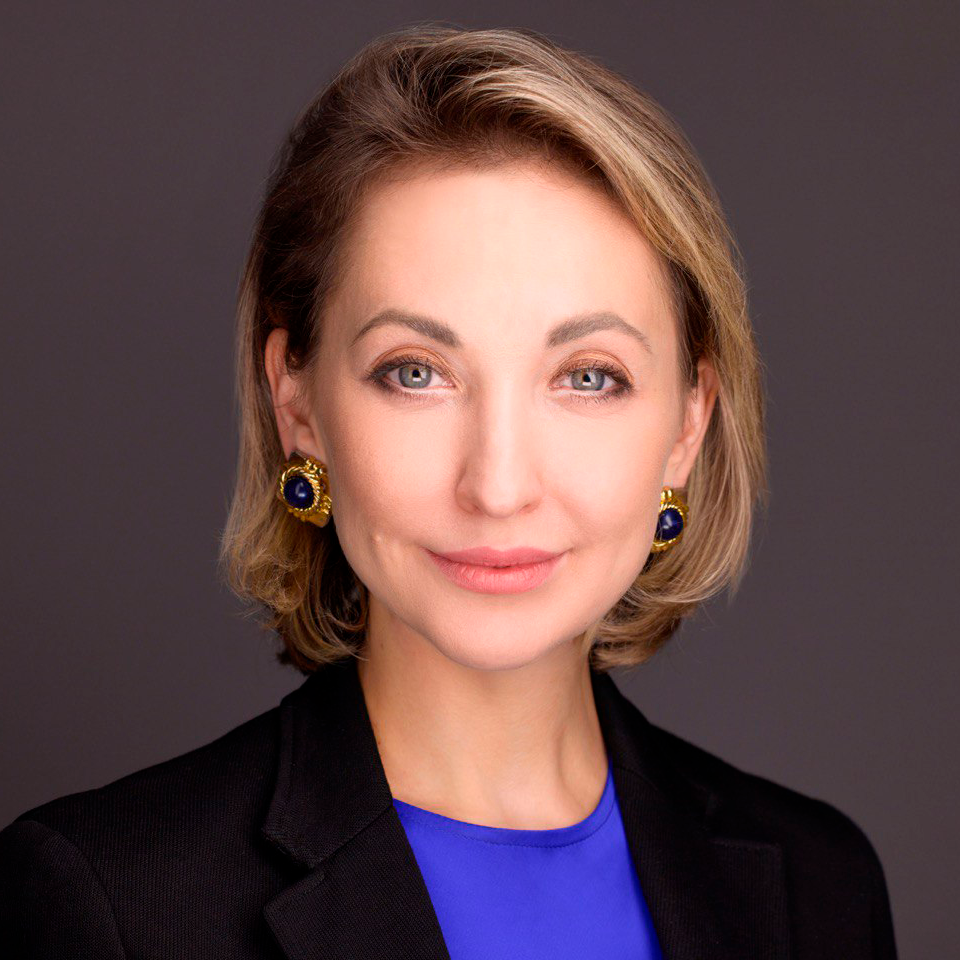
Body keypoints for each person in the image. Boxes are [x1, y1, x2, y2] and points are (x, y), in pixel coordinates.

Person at [0, 24, 898, 959]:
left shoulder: (823, 888)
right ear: (297, 404)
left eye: (588, 377)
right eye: (416, 372)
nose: (498, 486)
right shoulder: (109, 903)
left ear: (688, 423)